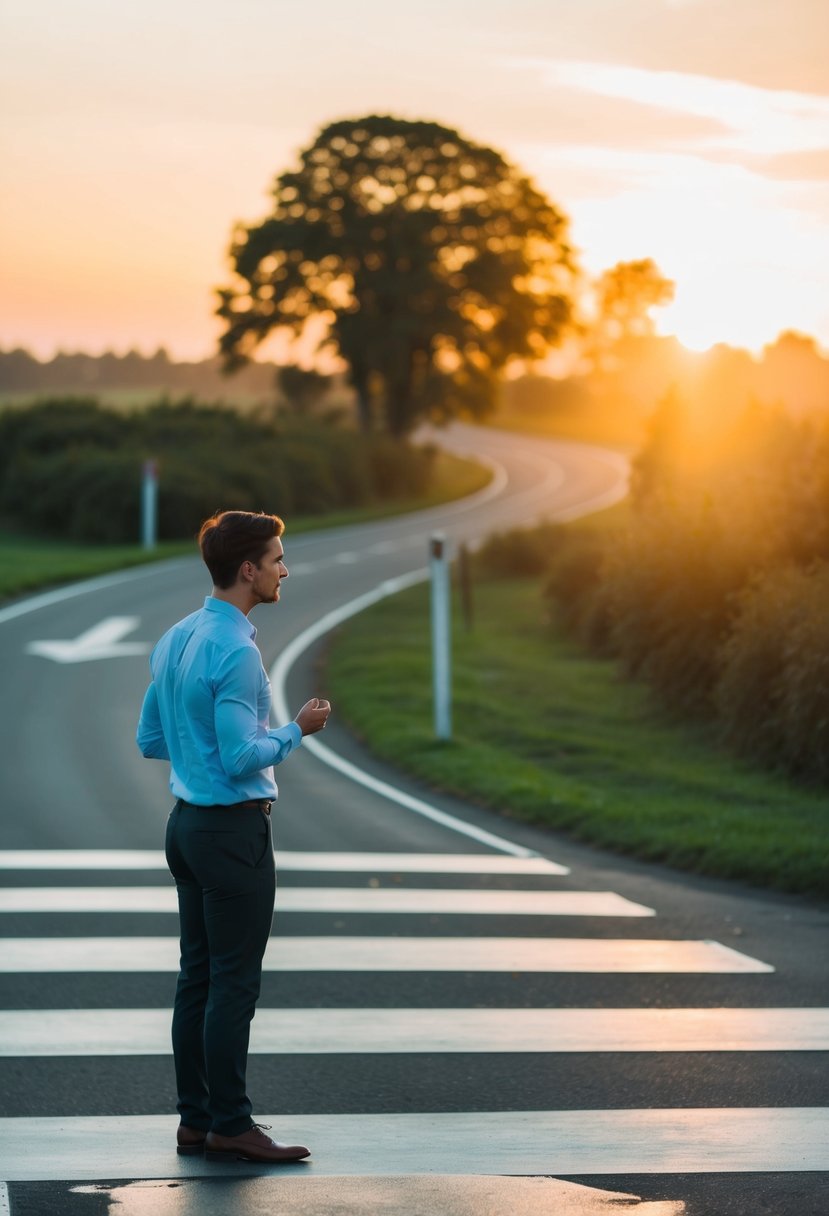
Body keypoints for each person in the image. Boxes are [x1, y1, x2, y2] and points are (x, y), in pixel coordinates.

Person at [137, 509, 330, 1164]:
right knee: (233, 984)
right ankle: (231, 1123)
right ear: (247, 570)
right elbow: (241, 754)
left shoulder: (177, 638)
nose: (284, 569)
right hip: (230, 834)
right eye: (277, 558)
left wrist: (196, 757)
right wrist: (296, 729)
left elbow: (150, 739)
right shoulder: (235, 651)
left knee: (198, 978)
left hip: (186, 827)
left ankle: (196, 1120)